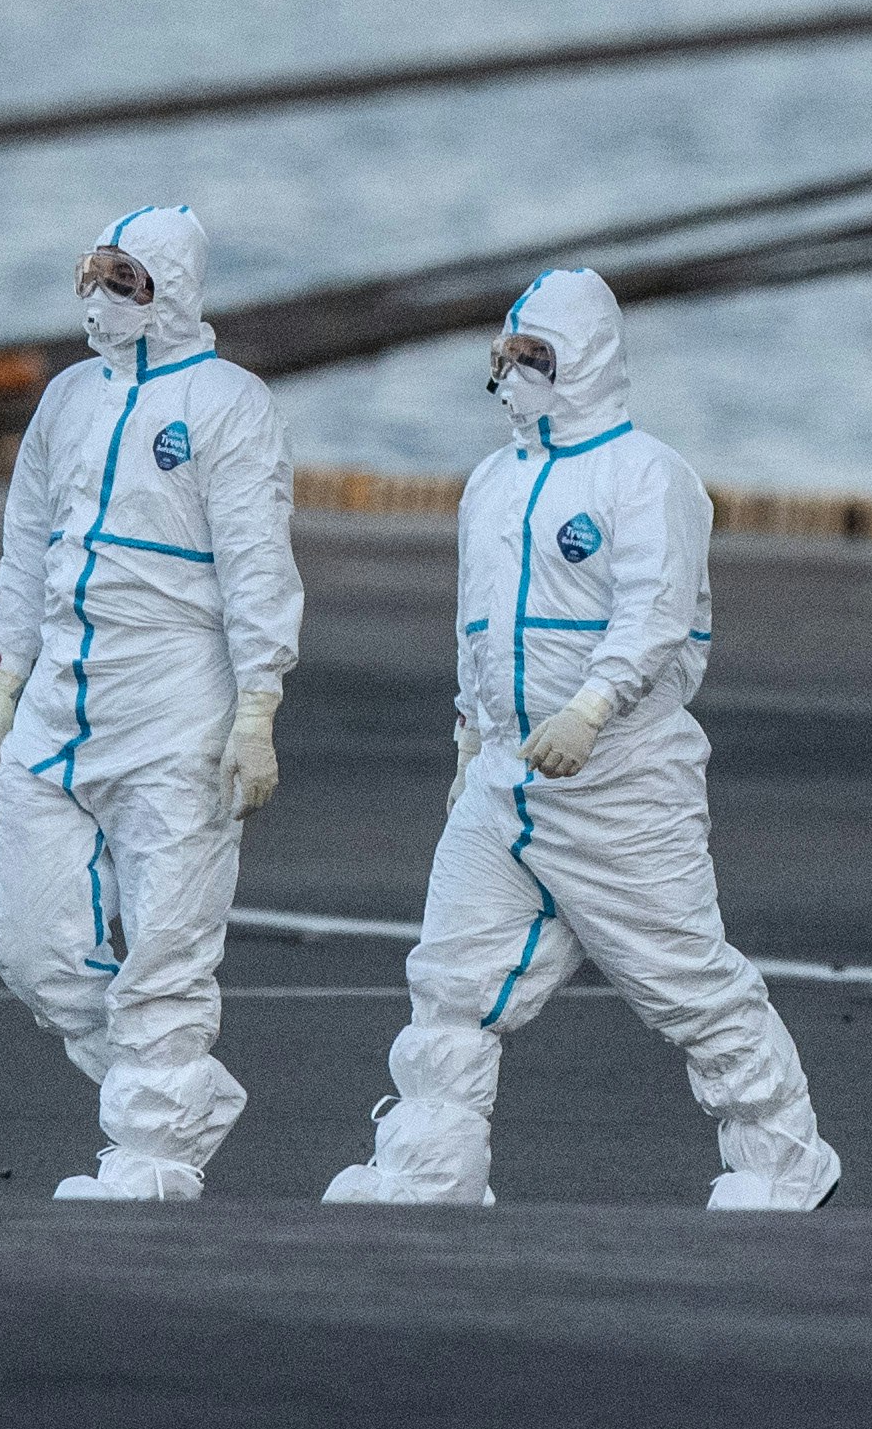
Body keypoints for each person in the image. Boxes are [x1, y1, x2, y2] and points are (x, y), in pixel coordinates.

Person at [325, 268, 842, 1211]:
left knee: (686, 982)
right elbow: (475, 626)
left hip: (621, 783)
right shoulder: (490, 483)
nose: (516, 373)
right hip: (505, 781)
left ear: (587, 360)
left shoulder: (648, 476)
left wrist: (592, 710)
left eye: (537, 356)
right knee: (451, 975)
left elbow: (654, 613)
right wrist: (468, 739)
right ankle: (431, 1165)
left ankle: (783, 1159)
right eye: (507, 355)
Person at [0, 203, 303, 1201]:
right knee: (29, 944)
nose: (99, 298)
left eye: (124, 280)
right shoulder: (67, 400)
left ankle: (155, 1152)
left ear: (172, 291)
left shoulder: (227, 405)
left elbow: (256, 564)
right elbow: (25, 544)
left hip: (175, 704)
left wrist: (257, 706)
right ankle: (173, 1093)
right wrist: (0, 685)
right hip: (59, 697)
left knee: (164, 944)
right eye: (93, 277)